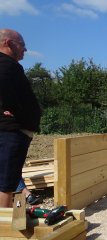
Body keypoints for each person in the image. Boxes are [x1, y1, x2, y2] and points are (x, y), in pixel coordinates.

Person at [0, 29, 41, 207]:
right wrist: (11, 108)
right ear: (8, 43)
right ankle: (4, 227)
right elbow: (9, 94)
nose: (25, 50)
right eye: (22, 45)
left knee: (7, 177)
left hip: (15, 130)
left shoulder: (9, 65)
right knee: (6, 181)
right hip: (12, 130)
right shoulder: (5, 66)